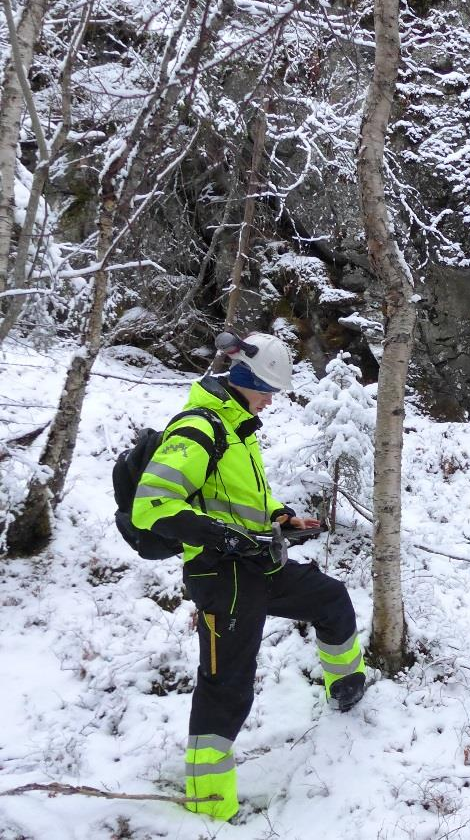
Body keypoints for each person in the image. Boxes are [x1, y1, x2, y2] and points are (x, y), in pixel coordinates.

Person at [131, 331, 368, 822]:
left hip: (258, 565)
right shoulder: (199, 428)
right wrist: (225, 538)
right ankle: (210, 804)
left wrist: (281, 518)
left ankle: (347, 689)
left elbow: (239, 499)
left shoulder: (237, 429)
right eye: (266, 390)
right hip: (221, 575)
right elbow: (151, 506)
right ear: (242, 380)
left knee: (330, 599)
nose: (270, 402)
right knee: (226, 687)